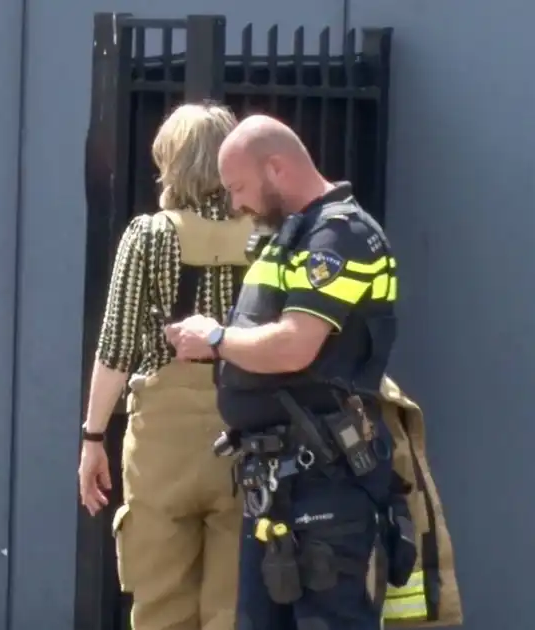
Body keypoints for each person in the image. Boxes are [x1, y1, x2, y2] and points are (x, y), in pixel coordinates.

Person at [165, 114, 401, 630]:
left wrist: (218, 339)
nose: (235, 205)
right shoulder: (290, 237)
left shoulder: (339, 236)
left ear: (276, 168)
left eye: (239, 188)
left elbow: (295, 347)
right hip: (276, 484)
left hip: (326, 481)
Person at [78, 102, 251, 630]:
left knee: (160, 606)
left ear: (171, 164)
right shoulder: (265, 237)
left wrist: (92, 438)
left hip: (162, 443)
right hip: (246, 431)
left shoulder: (149, 236)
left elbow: (115, 349)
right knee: (233, 605)